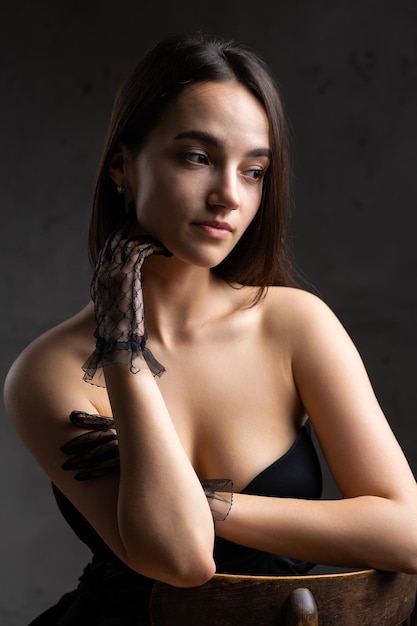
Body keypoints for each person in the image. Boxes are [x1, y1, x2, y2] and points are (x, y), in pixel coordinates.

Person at [4, 32, 417, 625]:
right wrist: (121, 347)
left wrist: (208, 502)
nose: (228, 195)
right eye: (197, 157)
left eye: (253, 171)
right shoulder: (46, 373)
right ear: (123, 165)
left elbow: (408, 533)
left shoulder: (294, 323)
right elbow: (180, 557)